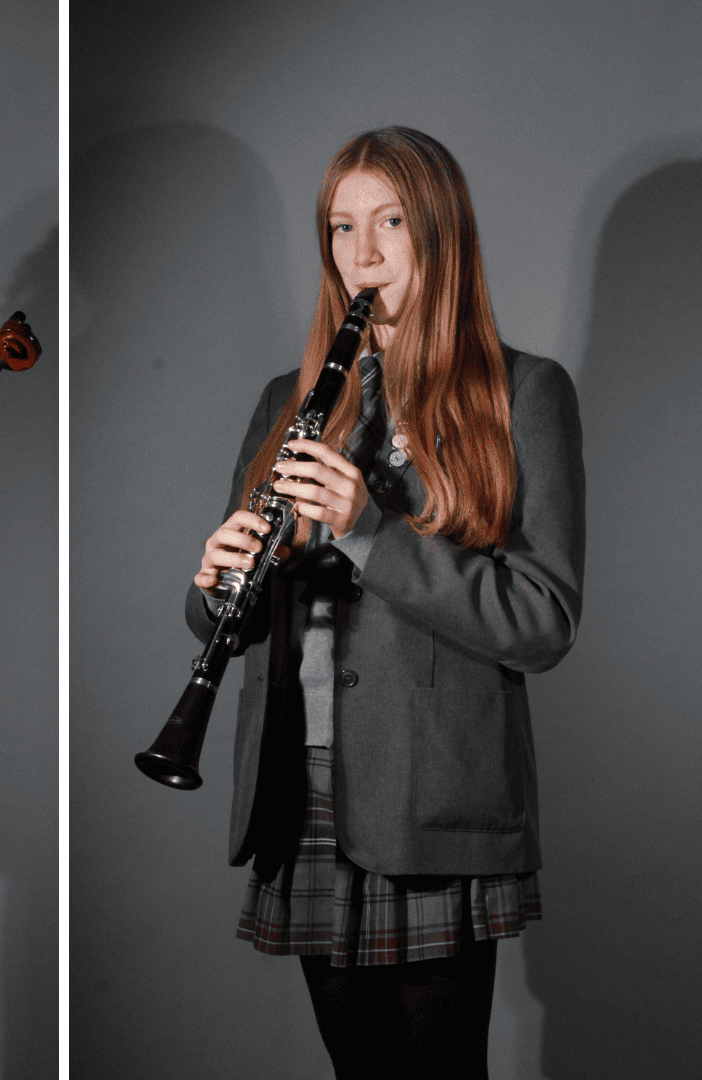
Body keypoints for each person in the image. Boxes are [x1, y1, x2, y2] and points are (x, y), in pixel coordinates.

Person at [188, 127, 584, 1077]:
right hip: (305, 787)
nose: (361, 254)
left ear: (440, 235)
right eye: (341, 227)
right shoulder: (290, 397)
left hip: (433, 792)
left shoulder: (523, 392)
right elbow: (231, 621)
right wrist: (214, 586)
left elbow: (542, 620)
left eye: (392, 223)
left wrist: (371, 531)